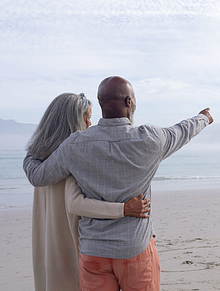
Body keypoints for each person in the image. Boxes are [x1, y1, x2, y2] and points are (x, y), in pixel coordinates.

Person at [24, 76, 213, 291]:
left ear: (100, 103)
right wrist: (203, 118)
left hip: (93, 252)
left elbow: (38, 176)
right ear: (129, 102)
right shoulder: (150, 139)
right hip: (134, 249)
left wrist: (32, 153)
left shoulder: (75, 144)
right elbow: (182, 130)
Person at [26, 92, 151, 291]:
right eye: (87, 117)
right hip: (73, 244)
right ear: (73, 121)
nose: (90, 124)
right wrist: (124, 209)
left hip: (49, 246)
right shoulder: (73, 156)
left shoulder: (39, 160)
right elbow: (76, 204)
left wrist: (29, 156)